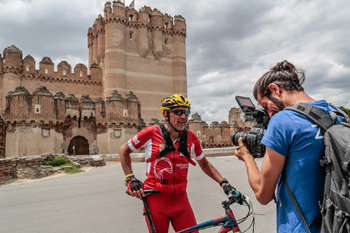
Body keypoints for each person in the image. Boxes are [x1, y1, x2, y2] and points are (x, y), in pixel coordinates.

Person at [234, 60, 341, 233]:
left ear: (275, 89)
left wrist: (247, 157)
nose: (269, 114)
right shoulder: (336, 114)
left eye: (266, 106)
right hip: (337, 224)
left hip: (300, 227)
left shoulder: (284, 121)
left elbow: (263, 195)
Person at [120, 94, 235, 233]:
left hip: (181, 200)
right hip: (155, 199)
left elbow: (204, 163)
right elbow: (123, 151)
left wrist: (223, 183)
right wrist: (130, 178)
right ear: (166, 114)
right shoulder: (150, 133)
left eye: (186, 112)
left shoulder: (191, 138)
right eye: (178, 112)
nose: (183, 116)